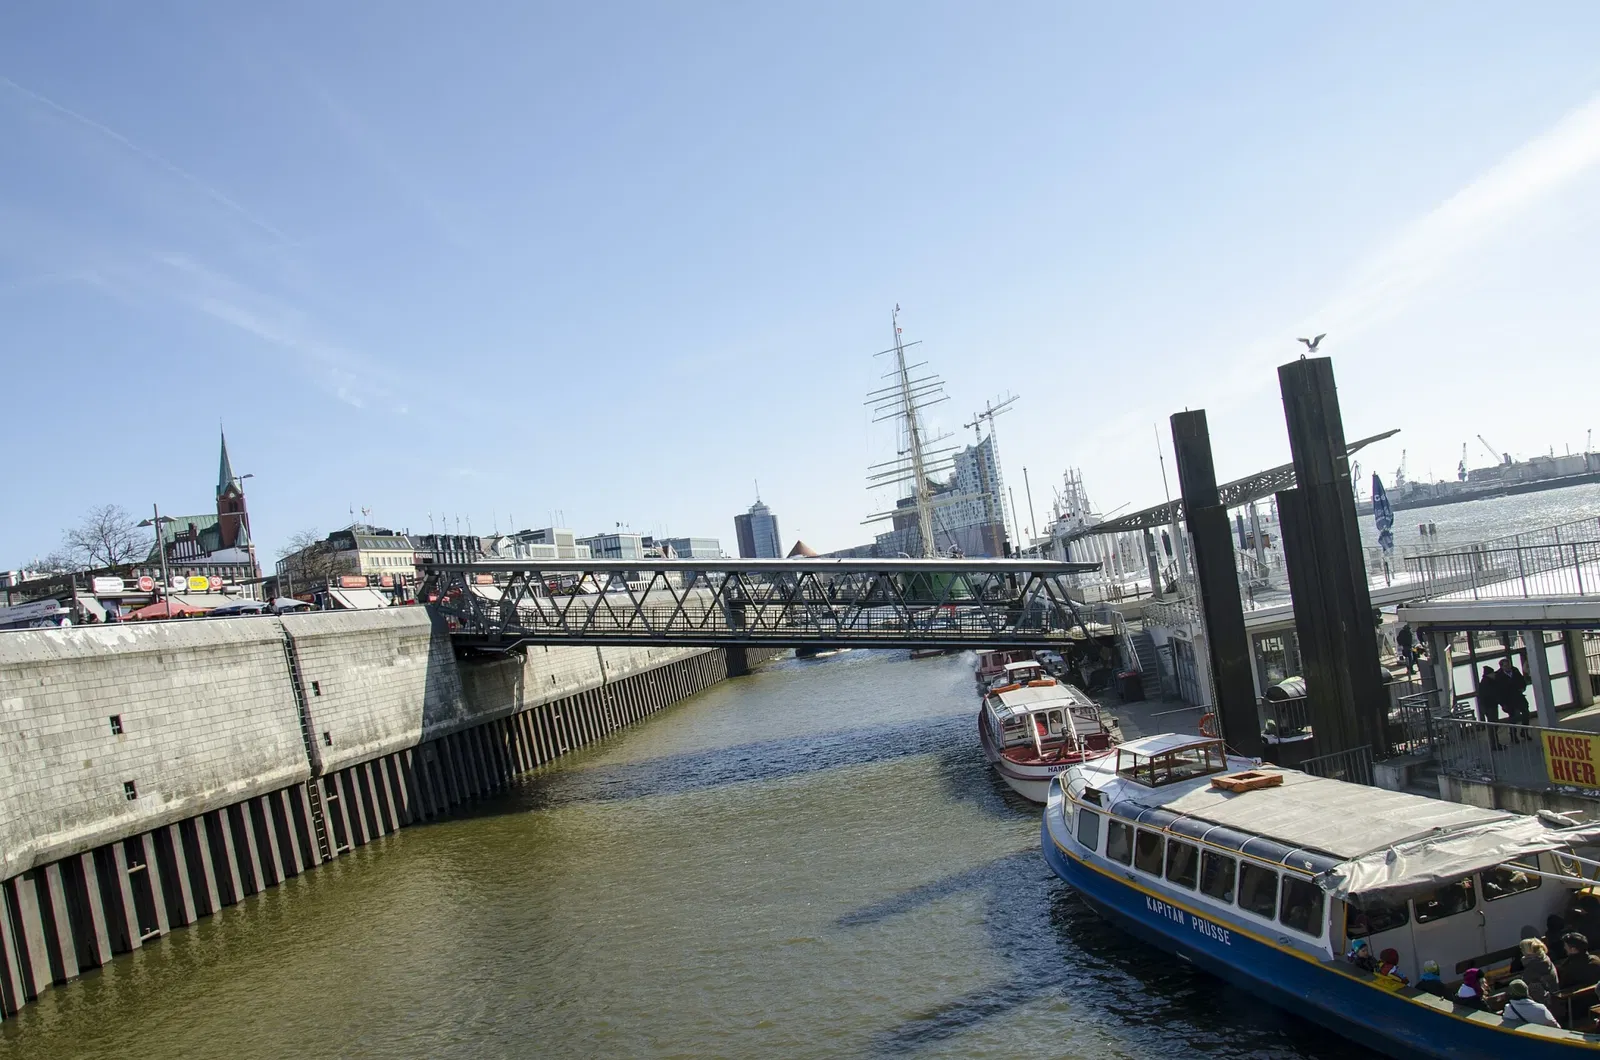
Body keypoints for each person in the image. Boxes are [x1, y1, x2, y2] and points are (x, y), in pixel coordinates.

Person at [1516, 937, 1561, 1007]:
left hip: (1542, 1003)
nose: (1521, 951)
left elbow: (1526, 984)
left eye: (1522, 949)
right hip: (1554, 995)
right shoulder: (1546, 960)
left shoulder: (1532, 966)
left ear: (1527, 951)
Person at [1499, 656, 1532, 742]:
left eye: (1509, 665)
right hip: (1509, 700)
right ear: (1502, 667)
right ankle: (1513, 736)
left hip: (1519, 697)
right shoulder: (1499, 676)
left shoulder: (1515, 671)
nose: (1508, 667)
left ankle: (1524, 732)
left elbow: (1522, 680)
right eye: (1505, 666)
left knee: (1526, 713)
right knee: (1514, 717)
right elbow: (1499, 691)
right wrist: (1503, 704)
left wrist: (1522, 687)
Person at [1477, 666, 1506, 749]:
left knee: (1492, 726)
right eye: (1492, 673)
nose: (1494, 675)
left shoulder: (1484, 682)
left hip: (1487, 707)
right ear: (1489, 674)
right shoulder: (1488, 683)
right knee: (1493, 725)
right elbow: (1493, 694)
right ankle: (1495, 744)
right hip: (1490, 707)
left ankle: (1495, 744)